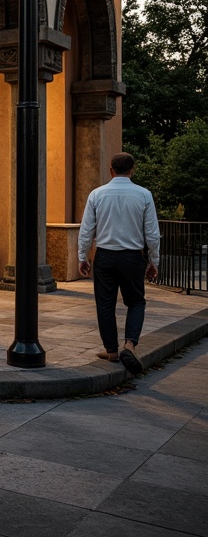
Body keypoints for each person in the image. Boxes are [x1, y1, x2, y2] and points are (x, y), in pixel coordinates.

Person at [78, 152, 160, 377]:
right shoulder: (144, 195)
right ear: (132, 170)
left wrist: (82, 257)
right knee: (136, 302)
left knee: (105, 304)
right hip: (132, 258)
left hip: (105, 256)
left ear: (111, 170)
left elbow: (87, 230)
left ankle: (111, 350)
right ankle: (130, 345)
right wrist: (154, 261)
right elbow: (152, 233)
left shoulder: (97, 194)